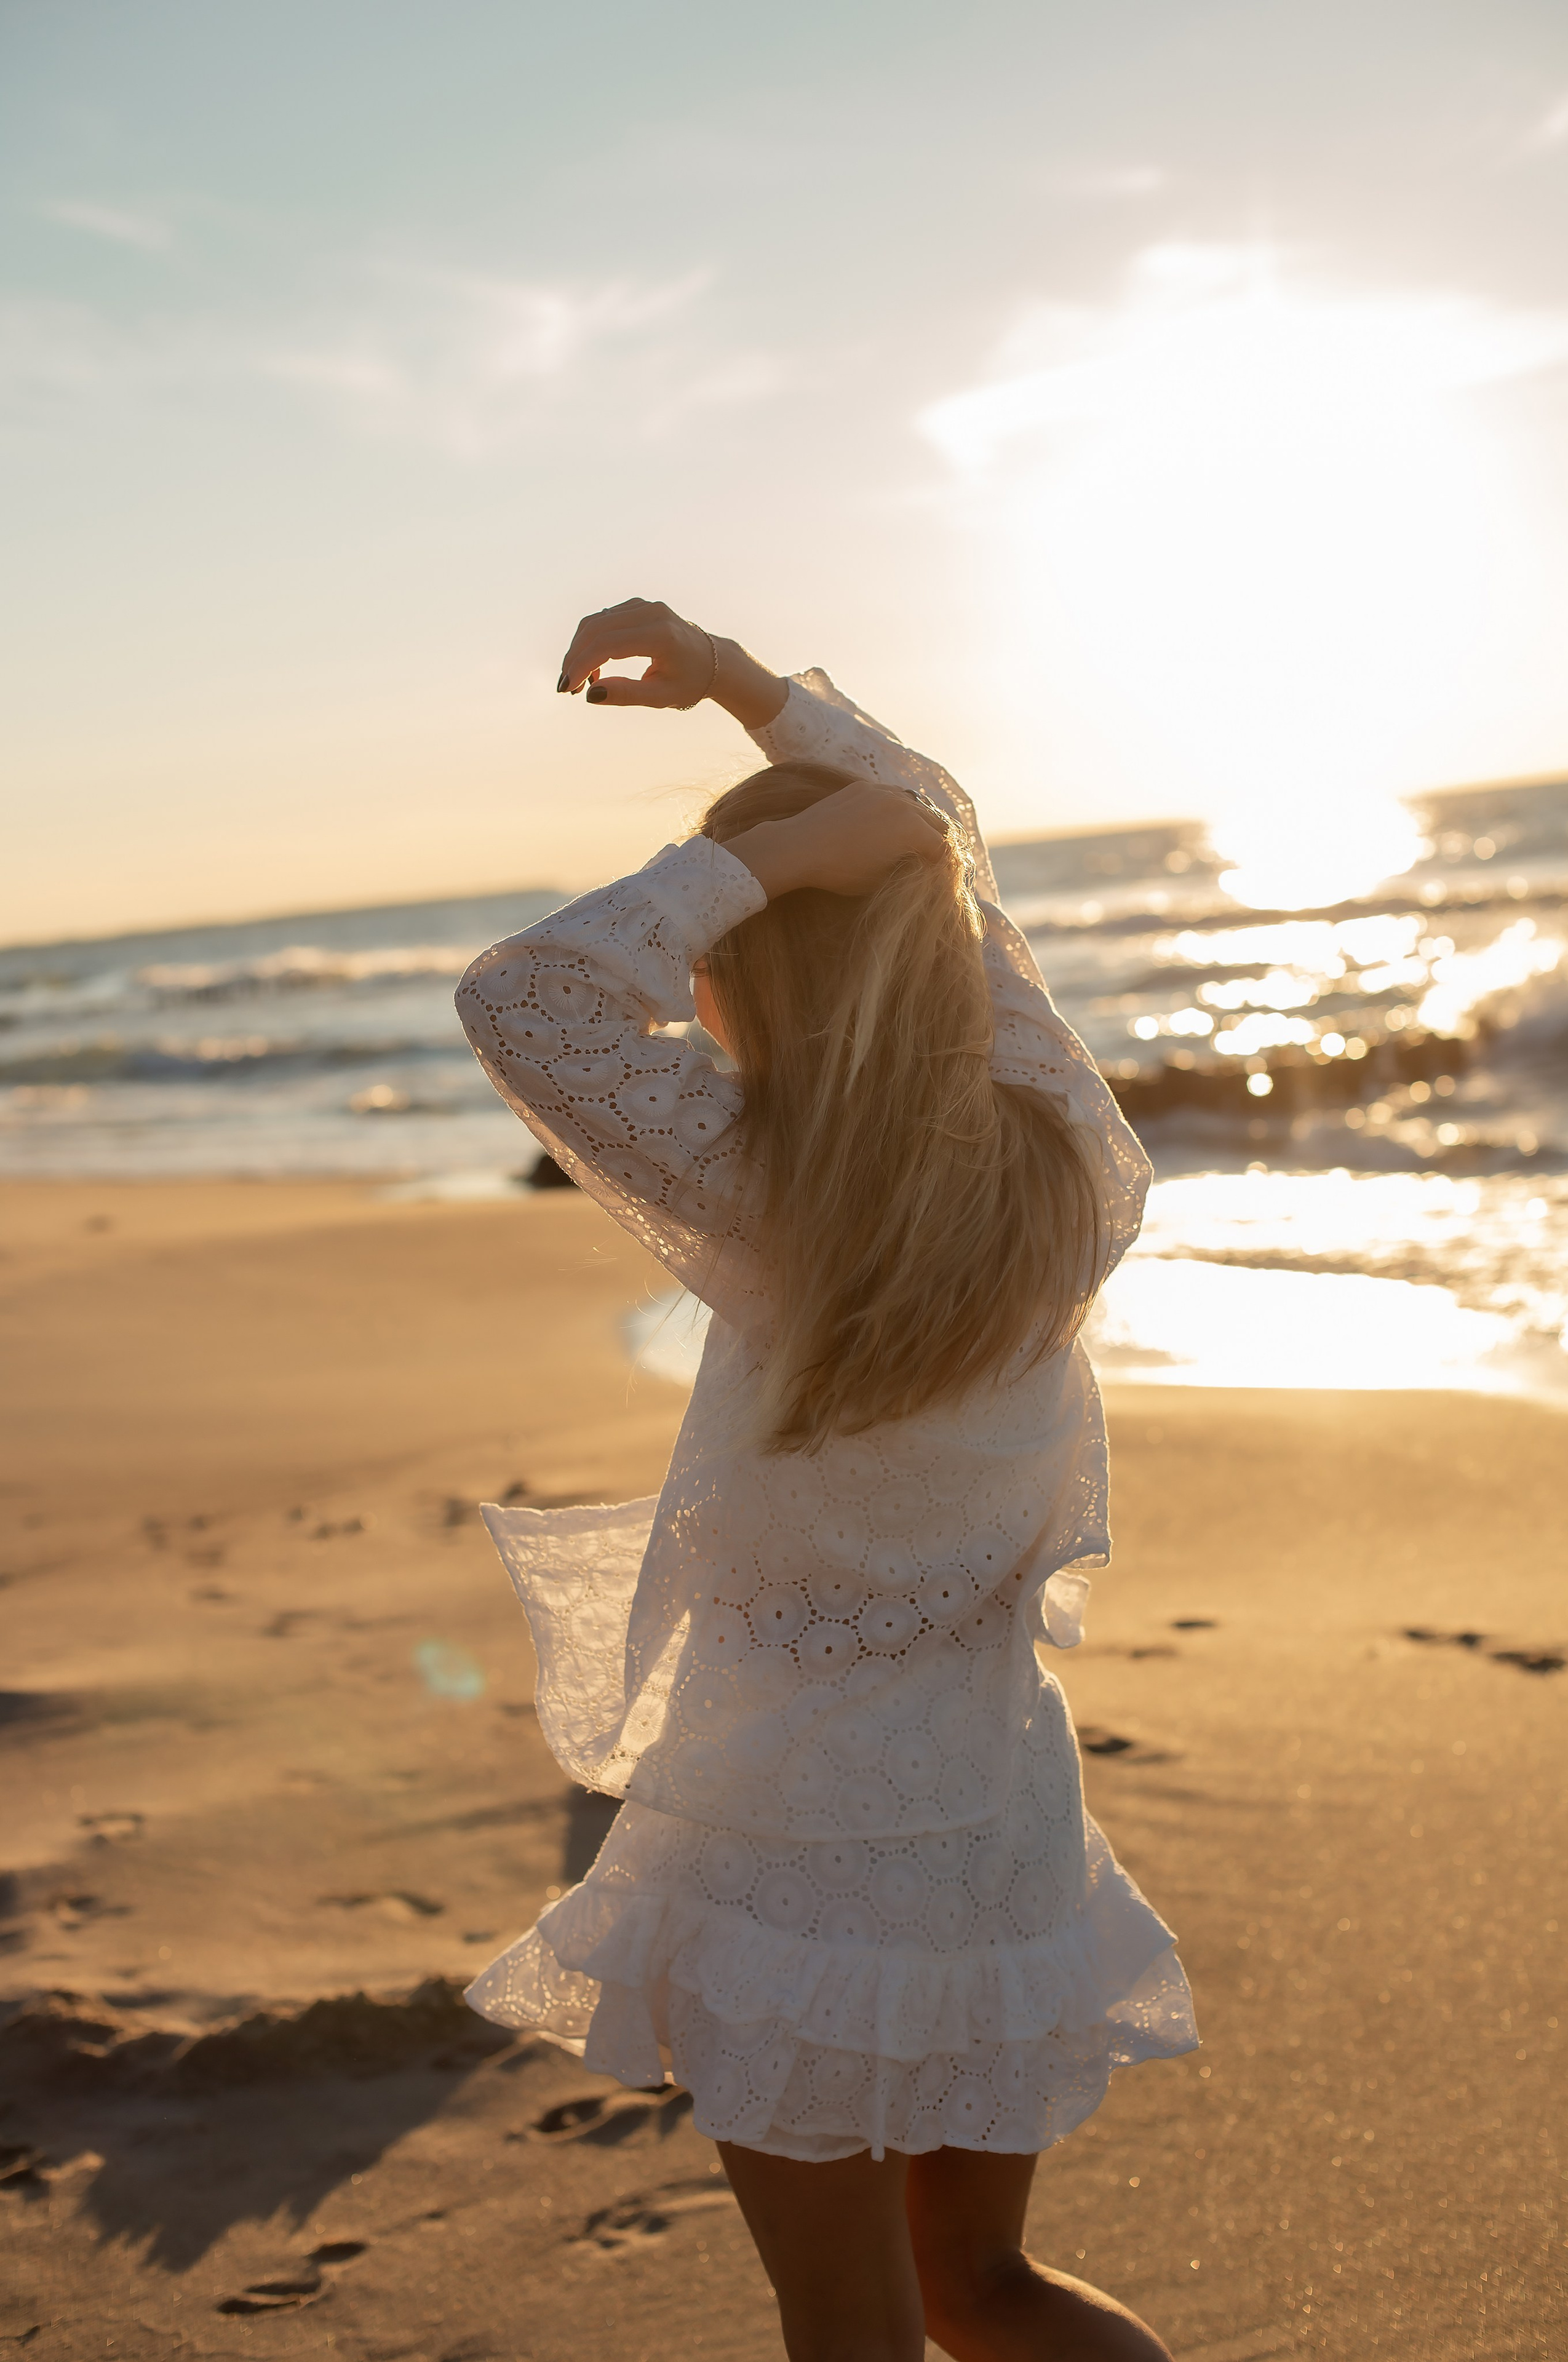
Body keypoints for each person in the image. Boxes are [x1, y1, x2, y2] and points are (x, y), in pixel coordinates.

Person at [454, 600, 1198, 2362]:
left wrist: (746, 862)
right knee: (983, 2293)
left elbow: (524, 1002)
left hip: (789, 1853)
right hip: (995, 1826)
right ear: (946, 958)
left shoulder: (760, 1189)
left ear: (736, 981)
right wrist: (743, 691)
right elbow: (937, 835)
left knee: (854, 2335)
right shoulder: (1071, 1165)